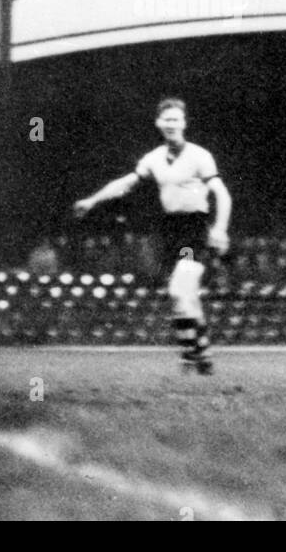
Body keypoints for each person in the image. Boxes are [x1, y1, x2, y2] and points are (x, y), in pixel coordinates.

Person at [73, 98, 231, 374]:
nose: (171, 124)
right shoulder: (154, 158)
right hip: (169, 229)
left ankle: (190, 356)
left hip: (193, 228)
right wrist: (92, 200)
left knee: (178, 291)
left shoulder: (199, 156)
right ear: (158, 123)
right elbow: (125, 183)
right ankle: (201, 356)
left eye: (176, 119)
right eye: (166, 119)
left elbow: (222, 193)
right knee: (187, 297)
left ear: (184, 123)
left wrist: (219, 228)